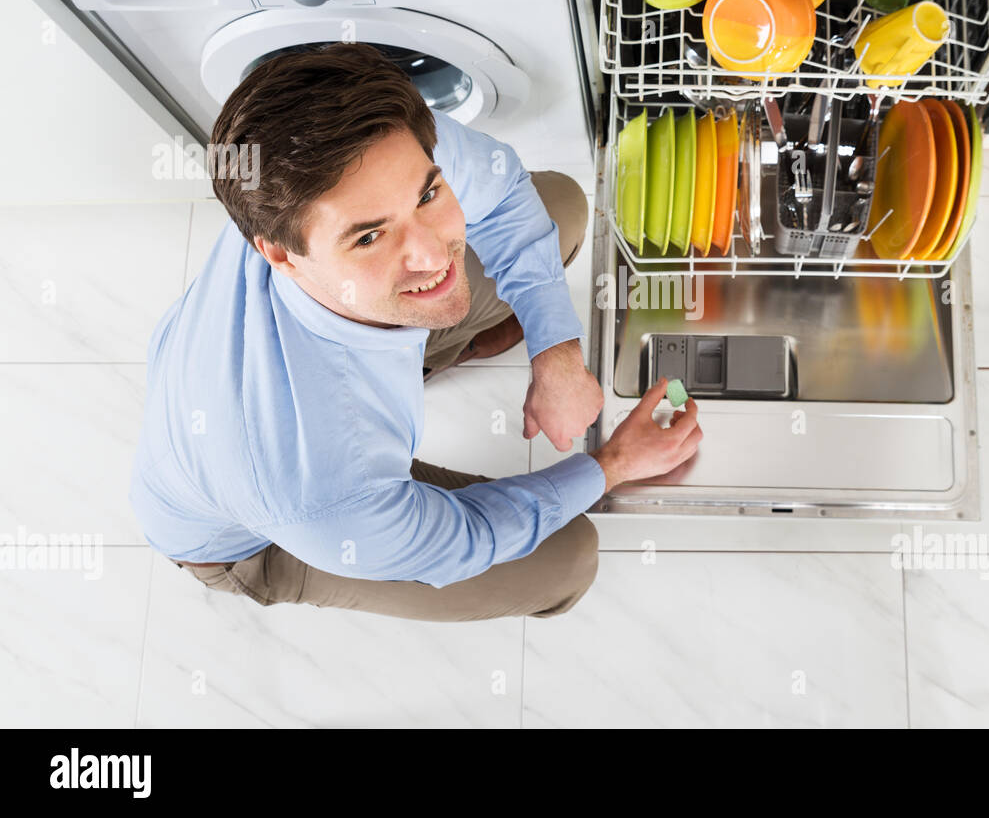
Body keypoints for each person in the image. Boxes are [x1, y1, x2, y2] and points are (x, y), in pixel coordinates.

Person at [128, 42, 702, 622]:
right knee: (567, 555)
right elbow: (467, 538)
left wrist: (556, 352)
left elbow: (503, 194)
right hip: (259, 535)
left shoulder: (372, 150)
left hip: (282, 372)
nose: (434, 254)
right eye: (369, 237)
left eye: (428, 195)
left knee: (559, 209)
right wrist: (613, 465)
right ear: (282, 255)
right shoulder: (325, 492)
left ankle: (439, 347)